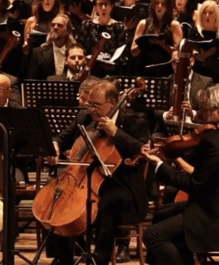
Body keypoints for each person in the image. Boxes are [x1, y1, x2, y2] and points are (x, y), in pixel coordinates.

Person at [142, 85, 219, 265]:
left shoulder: (215, 141)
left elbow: (195, 185)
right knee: (161, 214)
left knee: (152, 235)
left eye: (205, 110)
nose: (201, 116)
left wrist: (159, 165)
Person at [48, 80, 149, 265]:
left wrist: (116, 132)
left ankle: (100, 260)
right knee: (59, 198)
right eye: (89, 104)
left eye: (96, 105)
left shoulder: (135, 120)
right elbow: (62, 137)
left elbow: (142, 150)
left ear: (112, 103)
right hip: (86, 180)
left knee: (107, 203)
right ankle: (64, 259)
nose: (91, 109)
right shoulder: (85, 117)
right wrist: (54, 145)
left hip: (123, 185)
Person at [131, 0, 183, 77]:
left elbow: (178, 54)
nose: (159, 6)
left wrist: (162, 45)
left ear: (168, 7)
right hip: (144, 69)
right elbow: (133, 52)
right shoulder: (143, 23)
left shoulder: (174, 25)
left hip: (166, 71)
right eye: (157, 3)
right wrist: (144, 43)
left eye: (163, 4)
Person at [27, 14, 75, 80]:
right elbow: (32, 80)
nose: (55, 27)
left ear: (68, 31)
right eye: (53, 25)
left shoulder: (76, 53)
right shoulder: (38, 53)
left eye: (60, 25)